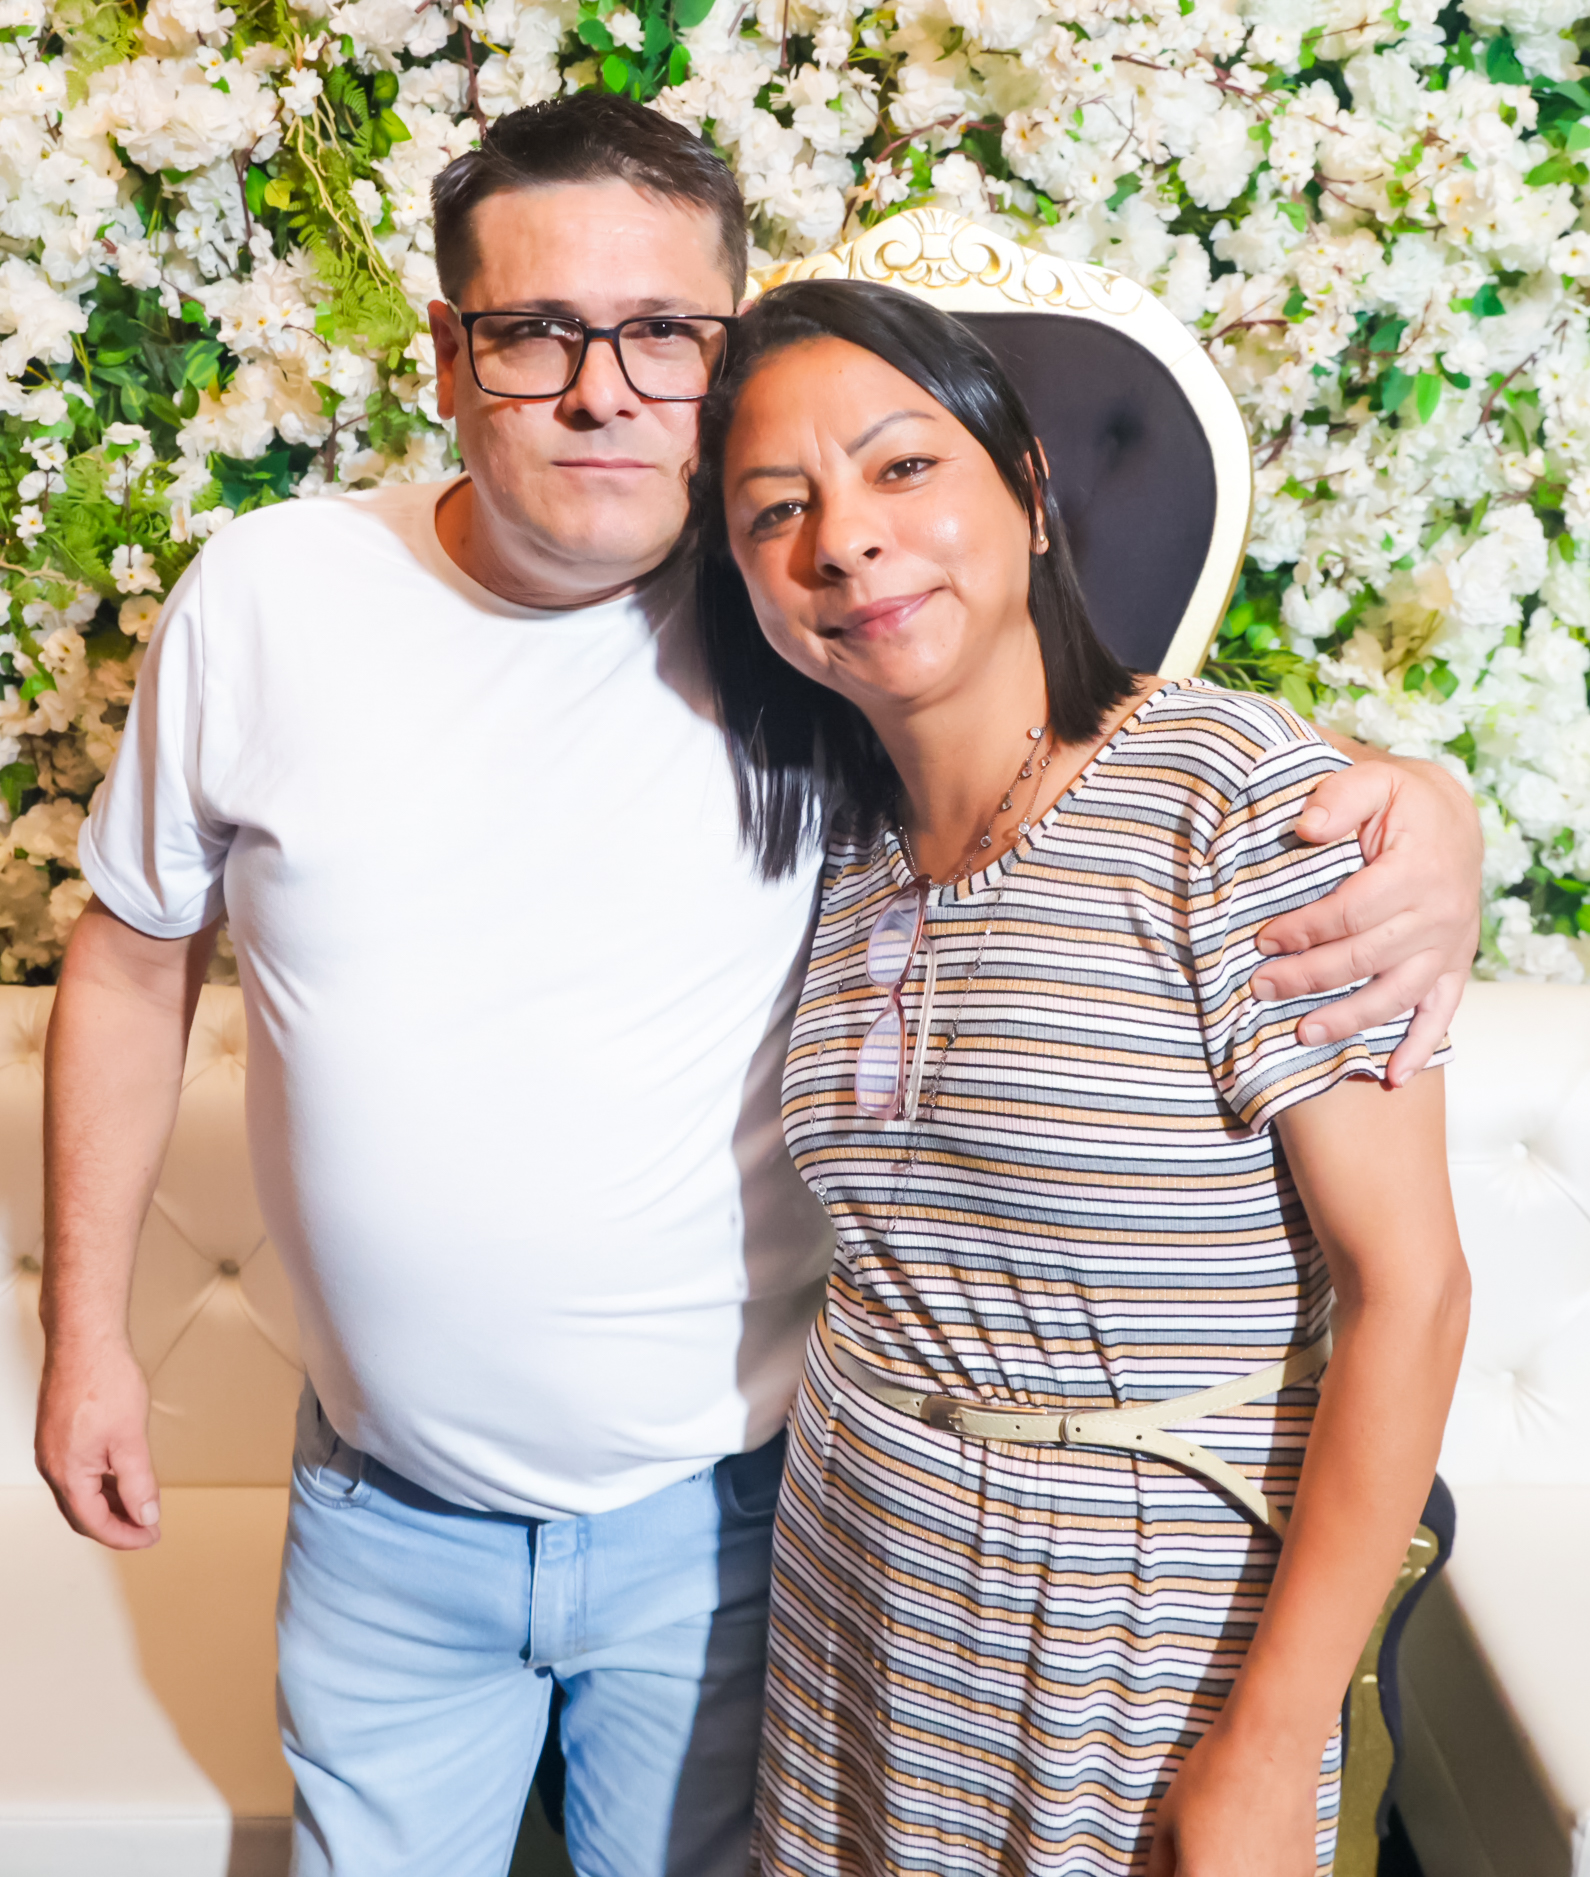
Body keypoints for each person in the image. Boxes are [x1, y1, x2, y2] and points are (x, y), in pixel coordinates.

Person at [33, 95, 1476, 1877]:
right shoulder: (291, 595)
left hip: (735, 1518)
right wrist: (86, 1337)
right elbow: (133, 951)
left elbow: (1092, 748)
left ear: (719, 360)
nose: (599, 390)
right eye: (535, 332)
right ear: (449, 356)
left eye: (661, 332)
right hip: (404, 1514)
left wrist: (1419, 808)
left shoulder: (798, 656)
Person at [688, 277, 1471, 1877]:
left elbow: (1410, 1291)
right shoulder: (835, 842)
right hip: (859, 1602)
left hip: (1143, 1630)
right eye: (777, 509)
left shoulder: (1240, 803)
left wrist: (1267, 1748)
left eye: (903, 466)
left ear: (1030, 493)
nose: (845, 539)